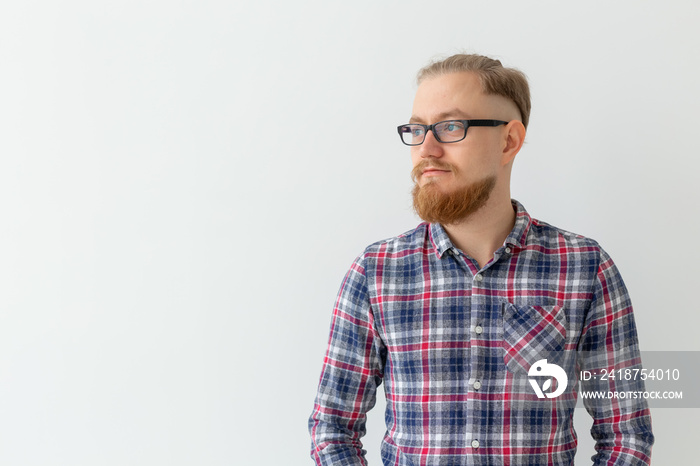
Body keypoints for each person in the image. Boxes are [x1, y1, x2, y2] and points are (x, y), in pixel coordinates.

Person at [308, 53, 654, 465]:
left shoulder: (584, 268)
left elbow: (626, 435)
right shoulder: (375, 272)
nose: (426, 149)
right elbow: (332, 428)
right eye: (417, 129)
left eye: (450, 127)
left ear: (508, 141)